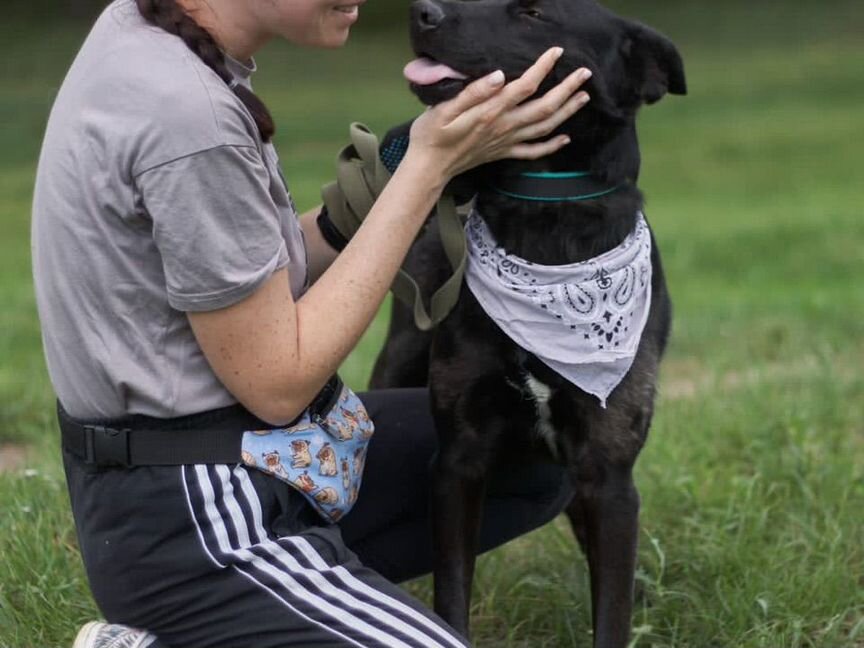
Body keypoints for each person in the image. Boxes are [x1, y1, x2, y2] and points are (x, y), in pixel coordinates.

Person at [31, 0, 592, 645]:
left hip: (232, 469)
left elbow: (241, 284)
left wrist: (388, 177)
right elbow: (276, 381)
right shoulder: (185, 115)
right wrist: (426, 168)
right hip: (200, 522)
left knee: (528, 451)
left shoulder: (143, 35)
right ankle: (205, 622)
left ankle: (281, 616)